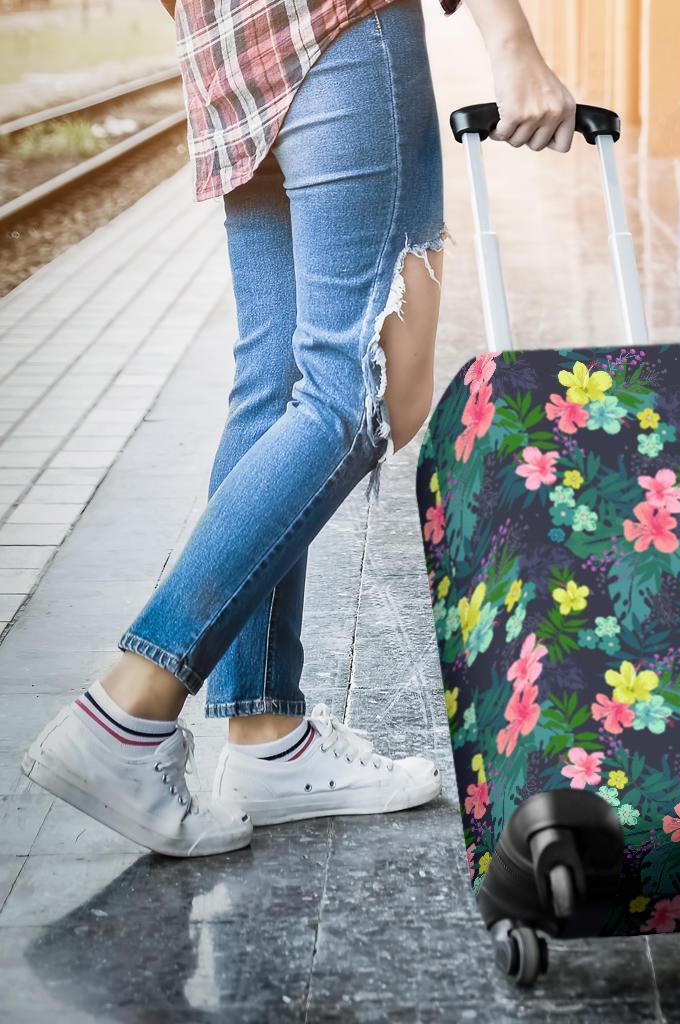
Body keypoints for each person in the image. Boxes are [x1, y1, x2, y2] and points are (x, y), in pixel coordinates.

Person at [22, 0, 575, 857]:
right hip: (341, 27)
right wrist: (513, 44)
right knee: (360, 390)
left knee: (276, 385)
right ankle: (128, 710)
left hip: (228, 50)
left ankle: (265, 735)